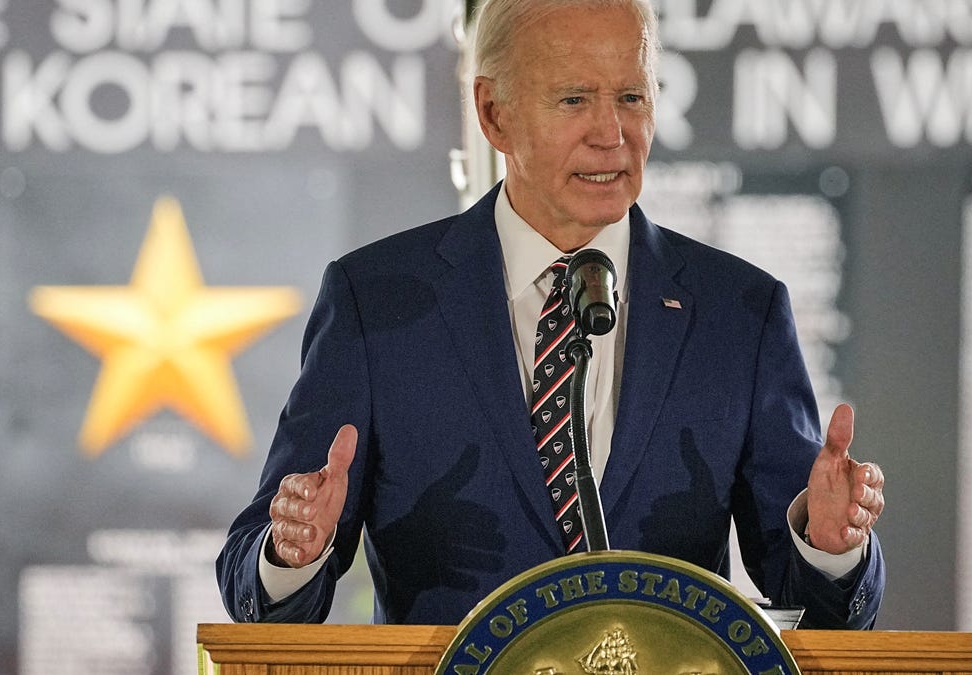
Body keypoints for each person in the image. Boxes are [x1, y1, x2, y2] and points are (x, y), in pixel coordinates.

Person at [217, 0, 886, 629]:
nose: (611, 132)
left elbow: (820, 613)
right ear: (493, 114)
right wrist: (293, 549)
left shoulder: (738, 312)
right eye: (574, 99)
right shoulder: (377, 302)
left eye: (631, 96)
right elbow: (255, 589)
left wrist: (828, 543)